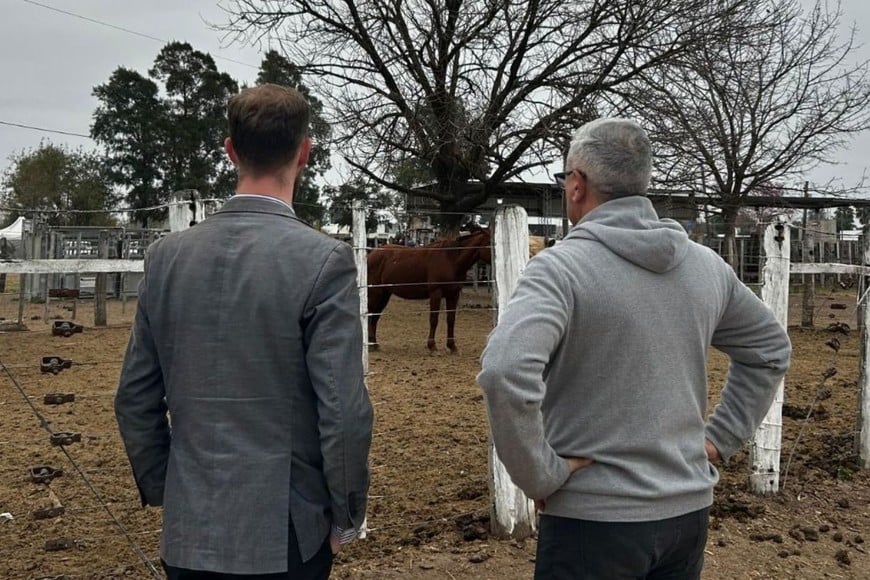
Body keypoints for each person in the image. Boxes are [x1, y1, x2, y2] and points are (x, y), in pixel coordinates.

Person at [477, 118, 791, 579]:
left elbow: (503, 371)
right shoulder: (706, 267)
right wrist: (719, 440)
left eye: (566, 179)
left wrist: (540, 474)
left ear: (578, 184)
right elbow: (769, 349)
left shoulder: (560, 270)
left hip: (594, 519)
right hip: (686, 516)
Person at [115, 84, 373, 580]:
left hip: (189, 532)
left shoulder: (166, 258)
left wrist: (170, 490)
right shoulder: (324, 261)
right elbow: (343, 412)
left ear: (231, 151)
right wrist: (346, 516)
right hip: (287, 536)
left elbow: (134, 398)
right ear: (305, 153)